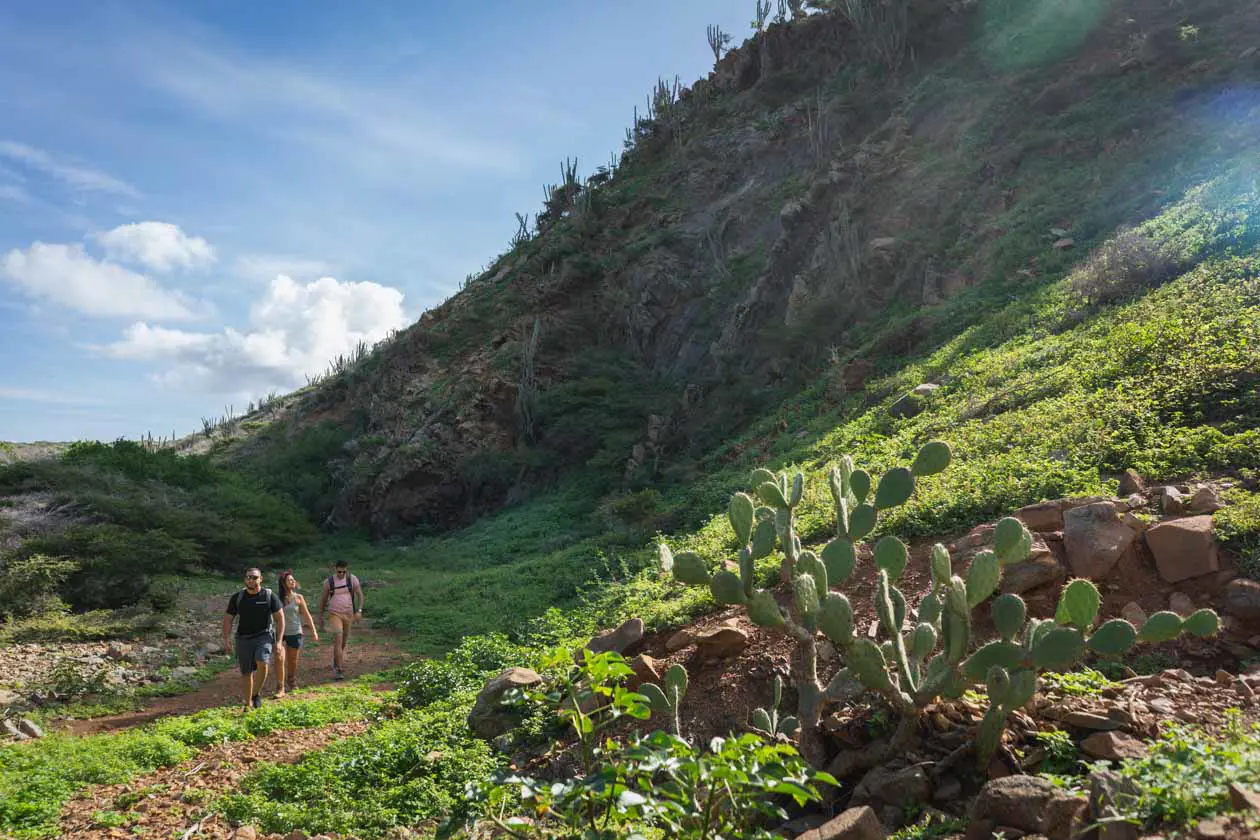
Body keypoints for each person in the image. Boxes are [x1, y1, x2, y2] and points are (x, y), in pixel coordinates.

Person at [222, 567, 284, 712]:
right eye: (248, 577)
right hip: (243, 638)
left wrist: (279, 641)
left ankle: (255, 694)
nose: (251, 580)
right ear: (245, 579)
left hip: (264, 636)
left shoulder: (269, 596)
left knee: (263, 662)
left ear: (260, 579)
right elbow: (228, 618)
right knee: (246, 672)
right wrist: (226, 638)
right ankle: (248, 703)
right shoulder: (238, 597)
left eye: (254, 577)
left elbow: (280, 619)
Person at [273, 570, 319, 698]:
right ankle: (280, 687)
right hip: (281, 633)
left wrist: (313, 630)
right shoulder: (277, 599)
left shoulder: (299, 598)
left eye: (293, 580)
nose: (293, 582)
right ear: (283, 583)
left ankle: (291, 680)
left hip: (295, 631)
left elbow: (307, 615)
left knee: (292, 660)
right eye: (290, 580)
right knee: (280, 659)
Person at [318, 559, 363, 680]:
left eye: (344, 571)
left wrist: (359, 611)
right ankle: (339, 669)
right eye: (339, 571)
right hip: (334, 614)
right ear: (335, 569)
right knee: (338, 638)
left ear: (346, 570)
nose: (341, 574)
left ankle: (336, 660)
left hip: (348, 614)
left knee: (343, 641)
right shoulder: (329, 582)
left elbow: (360, 595)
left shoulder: (352, 579)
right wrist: (320, 616)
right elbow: (323, 600)